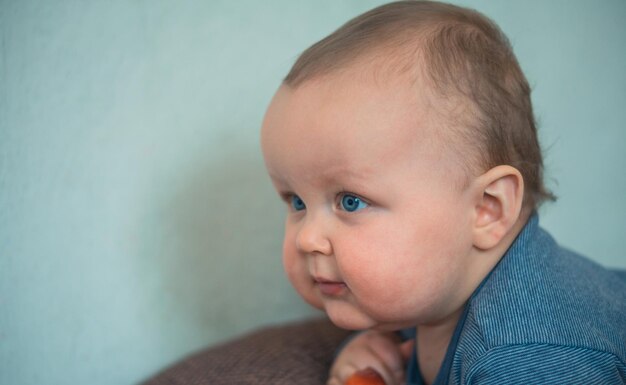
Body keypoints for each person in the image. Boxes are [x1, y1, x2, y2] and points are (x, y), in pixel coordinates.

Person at [259, 1, 626, 384]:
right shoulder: (437, 286)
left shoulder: (528, 357)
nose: (307, 238)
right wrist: (373, 347)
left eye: (351, 201)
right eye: (296, 202)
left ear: (487, 208)